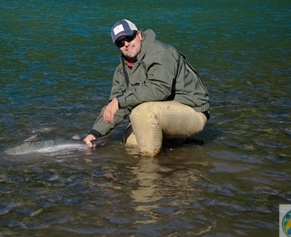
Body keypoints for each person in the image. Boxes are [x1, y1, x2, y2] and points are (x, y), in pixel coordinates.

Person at [84, 19, 210, 157]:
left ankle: (149, 171)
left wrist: (120, 101)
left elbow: (159, 89)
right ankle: (177, 146)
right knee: (129, 142)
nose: (126, 44)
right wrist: (94, 133)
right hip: (163, 112)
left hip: (193, 110)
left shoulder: (160, 52)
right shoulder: (121, 71)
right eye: (120, 42)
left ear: (139, 34)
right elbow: (114, 108)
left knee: (142, 114)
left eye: (129, 37)